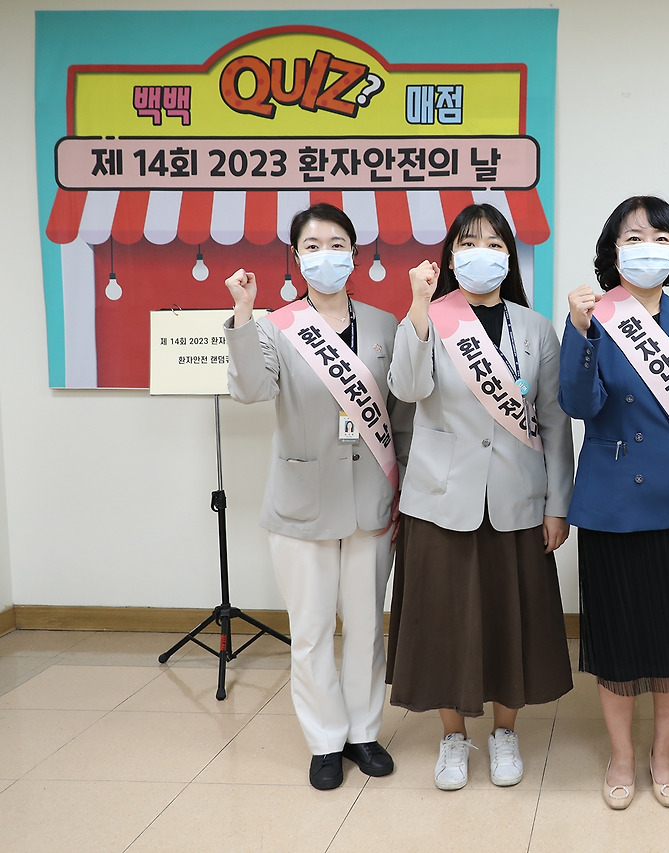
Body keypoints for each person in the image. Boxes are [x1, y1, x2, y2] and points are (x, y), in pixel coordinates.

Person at [385, 203, 574, 792]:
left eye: (494, 243)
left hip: (517, 496)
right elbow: (407, 389)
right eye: (468, 243)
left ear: (509, 256)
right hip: (442, 497)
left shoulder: (536, 326)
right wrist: (418, 304)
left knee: (509, 617)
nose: (482, 253)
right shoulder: (428, 319)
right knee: (445, 620)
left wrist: (557, 503)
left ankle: (504, 732)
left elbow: (554, 422)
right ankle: (452, 738)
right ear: (448, 257)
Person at [224, 202, 412, 790]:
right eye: (313, 245)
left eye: (337, 244)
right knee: (309, 630)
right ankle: (324, 740)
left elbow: (401, 417)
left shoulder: (385, 325)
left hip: (370, 501)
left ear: (353, 255)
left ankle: (361, 732)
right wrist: (245, 313)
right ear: (297, 257)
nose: (325, 255)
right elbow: (253, 390)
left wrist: (403, 492)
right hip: (301, 502)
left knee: (364, 626)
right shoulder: (276, 327)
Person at [559, 196, 669, 809]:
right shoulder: (595, 319)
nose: (647, 246)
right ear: (613, 250)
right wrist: (580, 333)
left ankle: (663, 755)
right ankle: (621, 757)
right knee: (618, 642)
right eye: (633, 236)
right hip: (613, 506)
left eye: (660, 236)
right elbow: (579, 405)